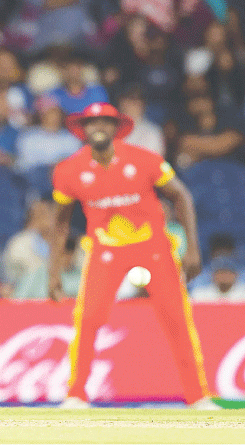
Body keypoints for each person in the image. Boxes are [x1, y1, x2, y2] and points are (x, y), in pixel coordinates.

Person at [49, 102, 219, 410]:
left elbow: (182, 195)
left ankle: (198, 397)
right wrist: (53, 274)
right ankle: (76, 394)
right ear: (83, 130)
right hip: (105, 250)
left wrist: (193, 248)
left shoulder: (143, 159)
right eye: (91, 122)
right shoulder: (68, 170)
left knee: (177, 319)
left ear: (116, 128)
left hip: (154, 247)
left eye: (104, 121)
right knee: (87, 319)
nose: (97, 127)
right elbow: (59, 223)